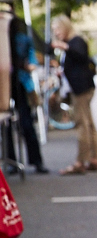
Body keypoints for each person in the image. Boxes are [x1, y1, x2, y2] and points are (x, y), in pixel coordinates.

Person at [51, 16, 97, 176]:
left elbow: (81, 56)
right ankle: (94, 158)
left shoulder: (76, 42)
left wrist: (65, 47)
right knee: (89, 123)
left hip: (81, 89)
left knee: (82, 124)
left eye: (57, 29)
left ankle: (81, 161)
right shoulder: (73, 42)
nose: (56, 33)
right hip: (81, 87)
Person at [5, 18, 47, 173]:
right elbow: (32, 61)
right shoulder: (23, 39)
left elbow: (32, 61)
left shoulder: (21, 40)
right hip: (17, 84)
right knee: (22, 123)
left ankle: (16, 162)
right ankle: (33, 161)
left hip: (17, 84)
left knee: (19, 124)